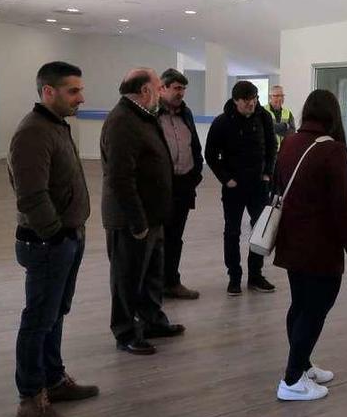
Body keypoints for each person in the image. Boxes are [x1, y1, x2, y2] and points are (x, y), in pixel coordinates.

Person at [8, 61, 98, 417]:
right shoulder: (33, 133)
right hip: (47, 243)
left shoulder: (55, 126)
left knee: (54, 314)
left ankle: (54, 379)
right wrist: (55, 233)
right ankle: (30, 399)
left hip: (65, 238)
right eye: (73, 91)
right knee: (38, 320)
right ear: (48, 92)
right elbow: (30, 195)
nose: (82, 97)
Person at [272, 89, 347, 401]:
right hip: (320, 245)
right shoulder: (333, 150)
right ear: (333, 115)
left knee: (300, 305)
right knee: (316, 308)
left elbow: (276, 186)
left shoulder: (290, 141)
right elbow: (342, 204)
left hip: (291, 240)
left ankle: (304, 364)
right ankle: (292, 379)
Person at [101, 68, 185, 356]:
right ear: (146, 91)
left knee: (151, 275)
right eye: (159, 87)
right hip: (132, 220)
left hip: (152, 217)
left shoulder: (142, 117)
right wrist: (137, 222)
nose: (161, 92)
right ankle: (125, 331)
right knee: (126, 277)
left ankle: (152, 321)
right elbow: (120, 178)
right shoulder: (122, 121)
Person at [204, 80, 277, 296]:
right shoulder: (222, 122)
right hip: (234, 188)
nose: (251, 104)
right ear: (236, 100)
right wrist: (226, 179)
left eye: (254, 99)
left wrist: (267, 173)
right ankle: (234, 277)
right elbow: (210, 155)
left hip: (259, 186)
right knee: (232, 232)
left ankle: (255, 275)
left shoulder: (263, 117)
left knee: (259, 230)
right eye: (246, 100)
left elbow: (272, 147)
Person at [158, 68, 203, 300]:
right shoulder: (152, 115)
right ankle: (154, 286)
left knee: (175, 237)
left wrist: (195, 175)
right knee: (158, 238)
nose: (181, 93)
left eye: (183, 89)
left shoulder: (186, 114)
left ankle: (171, 282)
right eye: (176, 88)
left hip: (183, 186)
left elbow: (195, 146)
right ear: (162, 88)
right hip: (160, 188)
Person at [265, 85, 296, 150]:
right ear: (270, 97)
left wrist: (274, 128)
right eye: (277, 96)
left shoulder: (288, 113)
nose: (280, 98)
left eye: (282, 96)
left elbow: (292, 132)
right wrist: (285, 126)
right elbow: (264, 128)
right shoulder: (263, 111)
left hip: (284, 151)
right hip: (268, 151)